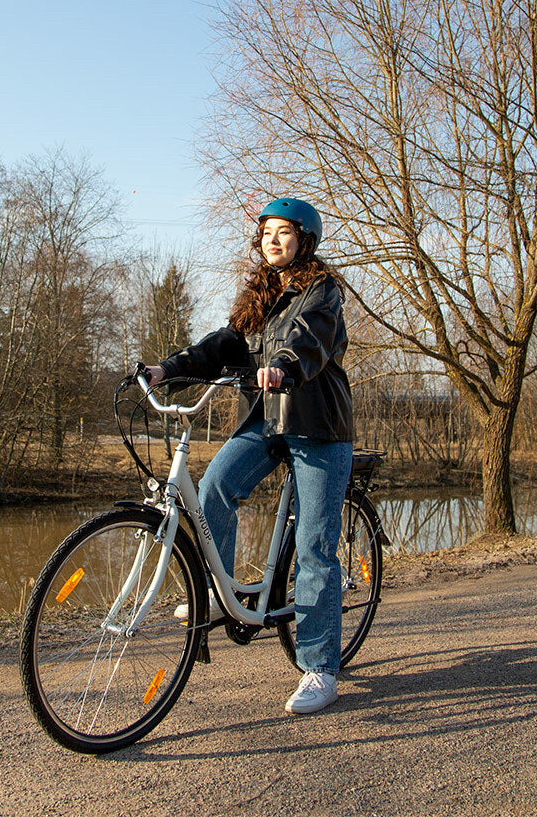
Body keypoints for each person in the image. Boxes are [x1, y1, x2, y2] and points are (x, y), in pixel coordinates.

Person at [145, 197, 353, 715]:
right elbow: (224, 344)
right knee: (213, 487)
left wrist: (283, 363)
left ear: (305, 239)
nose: (273, 240)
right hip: (267, 417)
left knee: (314, 546)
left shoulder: (321, 290)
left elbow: (309, 340)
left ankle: (319, 668)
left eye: (285, 232)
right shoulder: (259, 294)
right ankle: (224, 591)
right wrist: (166, 370)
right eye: (266, 233)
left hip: (318, 426)